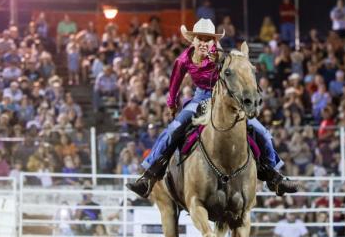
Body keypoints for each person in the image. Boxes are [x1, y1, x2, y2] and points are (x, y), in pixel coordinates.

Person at [126, 19, 300, 198]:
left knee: (261, 131)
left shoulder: (223, 57)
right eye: (200, 38)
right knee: (173, 130)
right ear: (193, 40)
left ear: (213, 41)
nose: (203, 42)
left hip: (225, 100)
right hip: (200, 98)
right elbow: (174, 84)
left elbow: (238, 73)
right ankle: (149, 176)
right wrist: (172, 104)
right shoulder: (184, 59)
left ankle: (275, 177)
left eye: (208, 39)